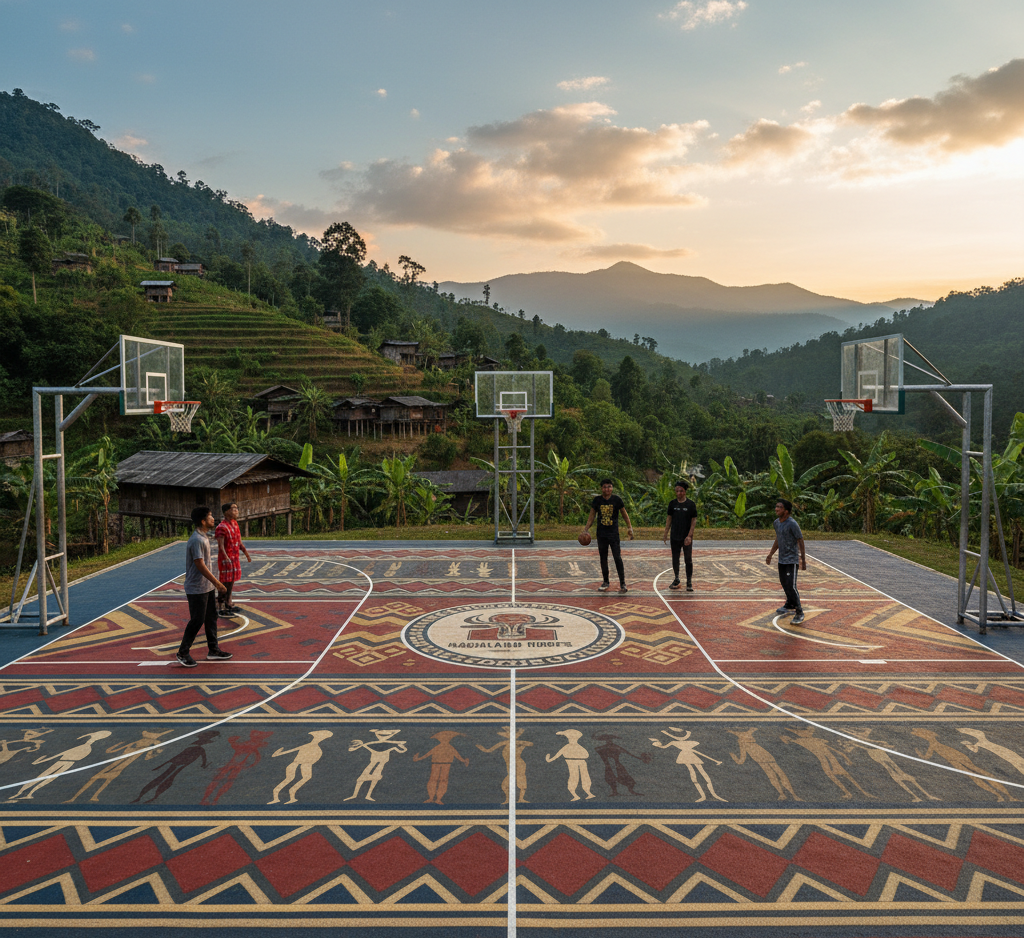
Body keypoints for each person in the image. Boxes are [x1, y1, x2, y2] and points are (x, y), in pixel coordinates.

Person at [177, 506, 234, 667]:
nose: (213, 519)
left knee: (211, 617)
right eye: (210, 516)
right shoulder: (197, 540)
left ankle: (213, 650)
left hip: (206, 586)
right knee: (197, 620)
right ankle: (183, 652)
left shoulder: (204, 537)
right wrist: (218, 583)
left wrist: (213, 583)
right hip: (196, 588)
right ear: (203, 521)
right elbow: (199, 564)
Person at [582, 479, 634, 593]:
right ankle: (605, 581)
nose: (607, 489)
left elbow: (625, 515)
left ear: (612, 488)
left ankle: (622, 583)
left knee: (617, 557)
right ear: (601, 488)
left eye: (609, 487)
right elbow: (591, 517)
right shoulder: (597, 500)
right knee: (603, 558)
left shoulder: (617, 500)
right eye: (605, 487)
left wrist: (629, 527)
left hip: (613, 534)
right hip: (601, 534)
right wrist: (585, 529)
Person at [766, 498, 806, 625]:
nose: (776, 509)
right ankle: (789, 604)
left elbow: (800, 540)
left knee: (791, 586)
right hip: (782, 559)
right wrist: (771, 554)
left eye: (779, 507)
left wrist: (802, 559)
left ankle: (799, 612)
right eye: (776, 506)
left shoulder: (792, 524)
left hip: (791, 560)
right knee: (784, 584)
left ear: (787, 511)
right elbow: (778, 538)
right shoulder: (776, 523)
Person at [215, 502, 250, 617]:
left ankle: (228, 602)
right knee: (225, 581)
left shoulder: (235, 524)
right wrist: (225, 557)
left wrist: (245, 552)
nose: (236, 510)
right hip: (226, 559)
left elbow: (239, 542)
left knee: (231, 581)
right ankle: (219, 604)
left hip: (234, 558)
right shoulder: (222, 527)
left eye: (236, 508)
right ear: (226, 512)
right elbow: (220, 546)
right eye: (233, 508)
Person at [662, 480, 697, 591]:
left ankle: (689, 582)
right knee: (675, 558)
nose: (679, 493)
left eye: (681, 491)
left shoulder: (690, 504)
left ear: (685, 491)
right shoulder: (672, 504)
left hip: (685, 537)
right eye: (677, 491)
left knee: (688, 559)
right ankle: (676, 578)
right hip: (674, 536)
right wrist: (666, 532)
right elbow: (669, 518)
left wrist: (690, 535)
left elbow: (694, 520)